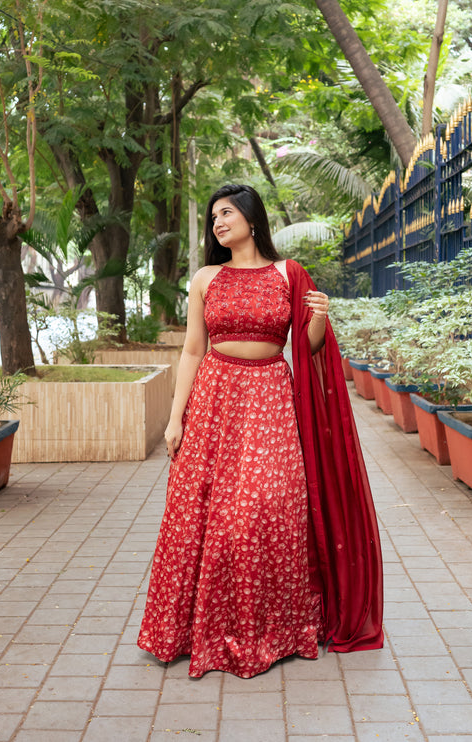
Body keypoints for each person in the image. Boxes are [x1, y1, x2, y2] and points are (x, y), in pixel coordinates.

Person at [137, 184, 383, 678]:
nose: (218, 223)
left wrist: (320, 317)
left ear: (251, 217)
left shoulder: (287, 274)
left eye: (226, 213)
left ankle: (276, 628)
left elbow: (309, 348)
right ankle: (198, 629)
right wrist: (174, 416)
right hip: (214, 398)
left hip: (270, 396)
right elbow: (191, 350)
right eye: (213, 218)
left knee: (269, 504)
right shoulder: (206, 277)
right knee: (204, 514)